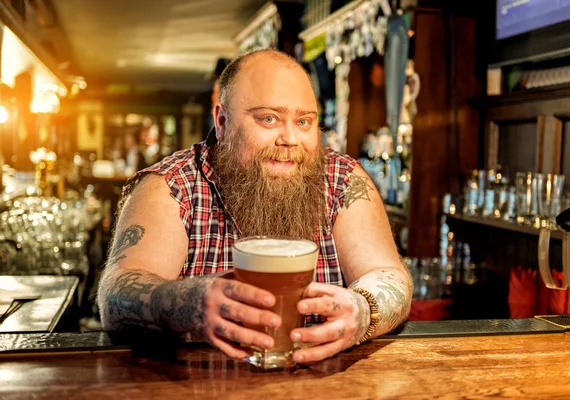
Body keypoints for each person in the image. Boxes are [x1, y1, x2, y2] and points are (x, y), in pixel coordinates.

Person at [98, 49, 413, 364]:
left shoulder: (342, 179)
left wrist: (362, 310)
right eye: (269, 119)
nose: (290, 138)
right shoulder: (171, 186)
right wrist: (187, 301)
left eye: (304, 122)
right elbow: (114, 298)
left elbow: (387, 273)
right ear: (222, 122)